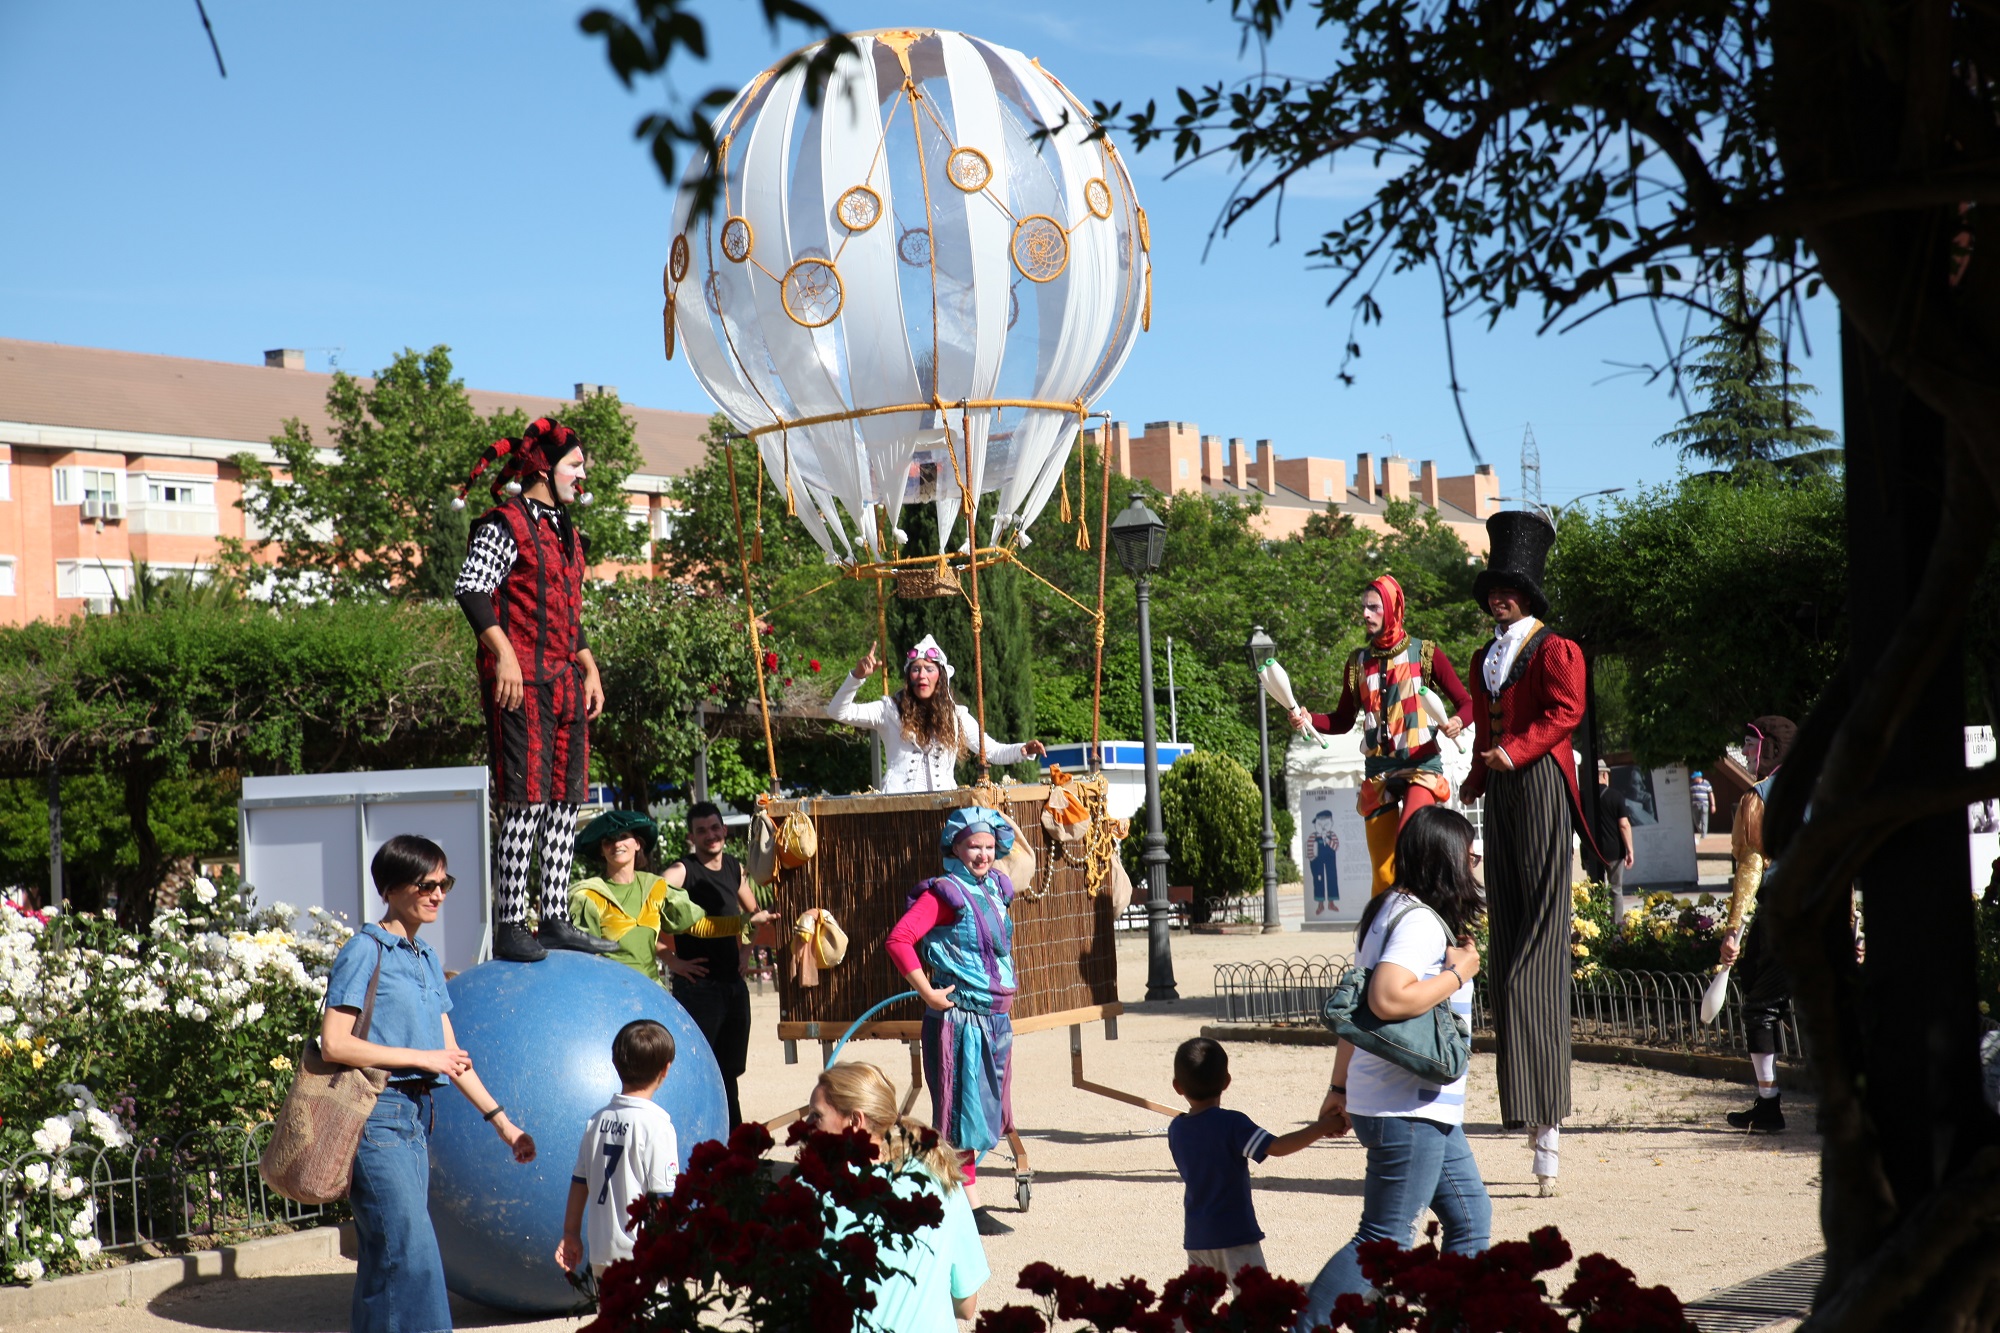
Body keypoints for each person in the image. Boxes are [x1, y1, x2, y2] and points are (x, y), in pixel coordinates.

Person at [321, 835, 537, 1333]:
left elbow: (453, 1057)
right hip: (375, 1116)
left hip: (415, 1120)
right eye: (427, 884)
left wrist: (503, 1125)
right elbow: (334, 1042)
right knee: (411, 1251)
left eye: (445, 883)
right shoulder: (364, 949)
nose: (439, 893)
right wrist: (421, 1057)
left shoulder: (423, 959)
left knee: (386, 1256)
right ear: (393, 888)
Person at [1298, 807, 1490, 1329]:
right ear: (1445, 858)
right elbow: (1384, 1000)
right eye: (1469, 852)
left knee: (1471, 1218)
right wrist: (1457, 974)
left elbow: (1355, 1010)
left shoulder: (1387, 910)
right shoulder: (1421, 923)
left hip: (1411, 1104)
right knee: (1383, 1239)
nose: (1475, 861)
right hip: (1407, 1106)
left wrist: (1338, 1086)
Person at [1460, 510, 1601, 1194]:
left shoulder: (1554, 649)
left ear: (1530, 592)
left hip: (1541, 782)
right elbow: (1484, 721)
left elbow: (1563, 713)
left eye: (1511, 585)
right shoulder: (1486, 656)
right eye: (1493, 585)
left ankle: (1548, 1129)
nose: (1499, 595)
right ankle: (1530, 1120)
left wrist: (1511, 754)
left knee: (1532, 963)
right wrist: (1475, 776)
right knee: (1505, 946)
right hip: (1502, 792)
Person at [452, 417, 618, 964]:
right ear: (545, 468)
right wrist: (501, 654)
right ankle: (510, 923)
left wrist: (590, 667)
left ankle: (554, 918)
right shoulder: (505, 523)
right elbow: (472, 589)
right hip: (520, 681)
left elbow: (570, 614)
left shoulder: (567, 530)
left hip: (565, 683)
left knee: (567, 803)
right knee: (524, 802)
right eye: (575, 464)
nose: (582, 473)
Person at [1291, 575, 1472, 898]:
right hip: (1379, 772)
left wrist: (1457, 721)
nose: (1365, 614)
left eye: (1373, 607)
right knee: (1383, 871)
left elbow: (1467, 703)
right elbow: (1342, 720)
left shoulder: (1425, 653)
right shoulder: (1358, 663)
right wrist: (1310, 719)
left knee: (1410, 848)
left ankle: (1429, 923)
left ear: (1392, 609)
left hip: (1421, 767)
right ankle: (1382, 937)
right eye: (1364, 607)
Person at [885, 806, 1020, 1235]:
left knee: (987, 1112)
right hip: (959, 1021)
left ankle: (935, 1189)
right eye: (972, 847)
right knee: (961, 1114)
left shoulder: (997, 887)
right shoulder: (944, 893)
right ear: (954, 847)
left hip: (995, 1019)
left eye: (987, 847)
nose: (982, 855)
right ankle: (967, 1205)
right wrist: (927, 991)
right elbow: (899, 939)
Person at [805, 1062, 988, 1331]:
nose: (806, 1126)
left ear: (855, 1121)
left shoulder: (817, 1196)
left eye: (816, 1116)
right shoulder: (943, 1180)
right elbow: (965, 1305)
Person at [1168, 1037, 1339, 1292]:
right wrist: (1323, 1126)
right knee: (1257, 1306)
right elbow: (1277, 1147)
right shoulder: (1231, 1124)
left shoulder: (1177, 1128)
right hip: (1235, 1233)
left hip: (1197, 1235)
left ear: (1177, 1086)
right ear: (1226, 1082)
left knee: (1197, 1309)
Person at [659, 802, 769, 1128]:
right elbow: (648, 906)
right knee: (698, 1070)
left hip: (732, 987)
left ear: (724, 829)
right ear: (691, 837)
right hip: (698, 988)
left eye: (714, 827)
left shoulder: (735, 868)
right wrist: (673, 961)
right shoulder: (683, 870)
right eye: (702, 830)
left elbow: (754, 916)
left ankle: (733, 1150)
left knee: (728, 1072)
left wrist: (746, 952)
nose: (710, 835)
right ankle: (699, 1144)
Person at [828, 636, 1047, 792]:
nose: (922, 674)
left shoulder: (956, 716)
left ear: (940, 677)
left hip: (945, 808)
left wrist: (1023, 749)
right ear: (909, 676)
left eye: (929, 669)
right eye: (916, 669)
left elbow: (991, 751)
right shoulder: (889, 710)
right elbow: (838, 711)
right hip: (898, 809)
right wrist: (857, 677)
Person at [1717, 715, 1797, 1133]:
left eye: (1751, 744)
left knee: (1760, 1010)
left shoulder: (1759, 797)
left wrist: (1733, 930)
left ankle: (1768, 1104)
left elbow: (1750, 869)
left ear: (1774, 750)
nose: (1746, 752)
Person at [556, 1019, 679, 1284]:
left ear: (614, 1063)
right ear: (665, 1070)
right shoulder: (657, 1126)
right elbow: (663, 1200)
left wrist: (570, 1232)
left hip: (602, 1253)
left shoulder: (596, 1121)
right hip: (643, 1256)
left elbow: (580, 1182)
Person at [568, 809, 740, 984]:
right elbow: (585, 958)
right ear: (601, 851)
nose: (617, 844)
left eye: (623, 836)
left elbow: (700, 926)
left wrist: (746, 924)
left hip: (652, 994)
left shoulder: (655, 887)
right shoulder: (588, 895)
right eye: (609, 841)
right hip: (612, 994)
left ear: (637, 844)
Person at [1592, 762, 1636, 922]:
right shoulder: (1615, 796)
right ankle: (1616, 926)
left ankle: (1597, 925)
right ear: (1605, 775)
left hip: (1591, 850)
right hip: (1613, 850)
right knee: (1616, 889)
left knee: (1595, 889)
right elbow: (1624, 824)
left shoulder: (1583, 796)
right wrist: (1630, 849)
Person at [1307, 810, 1341, 916]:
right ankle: (1320, 904)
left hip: (1330, 861)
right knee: (1318, 880)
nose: (1322, 827)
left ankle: (1331, 902)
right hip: (1317, 861)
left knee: (1332, 878)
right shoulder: (1313, 836)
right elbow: (1309, 848)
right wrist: (1312, 858)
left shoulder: (1332, 835)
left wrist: (1327, 839)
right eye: (1319, 824)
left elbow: (1336, 847)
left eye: (1325, 824)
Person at [1689, 770, 1716, 839]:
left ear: (1698, 777)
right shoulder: (1691, 785)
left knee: (1704, 820)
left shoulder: (1706, 784)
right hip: (1694, 805)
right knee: (1696, 821)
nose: (1693, 779)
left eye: (1695, 778)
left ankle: (1704, 835)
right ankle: (1702, 831)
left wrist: (1713, 805)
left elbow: (1711, 794)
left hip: (1704, 804)